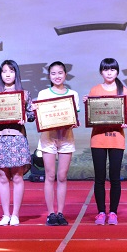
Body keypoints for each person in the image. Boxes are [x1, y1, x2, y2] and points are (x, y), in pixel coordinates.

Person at [0, 60, 34, 226]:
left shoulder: (24, 94)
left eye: (11, 71)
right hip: (0, 138)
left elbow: (31, 115)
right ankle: (5, 214)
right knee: (3, 177)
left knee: (17, 176)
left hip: (17, 138)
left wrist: (27, 116)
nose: (8, 74)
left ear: (16, 73)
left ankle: (15, 214)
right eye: (4, 71)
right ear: (0, 74)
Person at [85, 58, 127, 226]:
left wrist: (124, 118)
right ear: (101, 72)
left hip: (116, 139)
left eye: (112, 69)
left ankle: (113, 212)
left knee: (115, 178)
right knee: (99, 178)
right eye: (106, 69)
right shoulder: (95, 90)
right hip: (98, 139)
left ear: (117, 72)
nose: (109, 73)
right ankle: (100, 212)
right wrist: (88, 104)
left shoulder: (123, 90)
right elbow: (91, 113)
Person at [35, 61, 79, 226]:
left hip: (66, 138)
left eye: (60, 73)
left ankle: (60, 212)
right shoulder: (43, 94)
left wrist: (74, 122)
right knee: (50, 175)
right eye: (53, 73)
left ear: (65, 74)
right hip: (48, 138)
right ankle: (50, 213)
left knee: (62, 176)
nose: (57, 76)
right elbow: (40, 116)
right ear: (49, 76)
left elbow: (75, 117)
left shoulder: (73, 94)